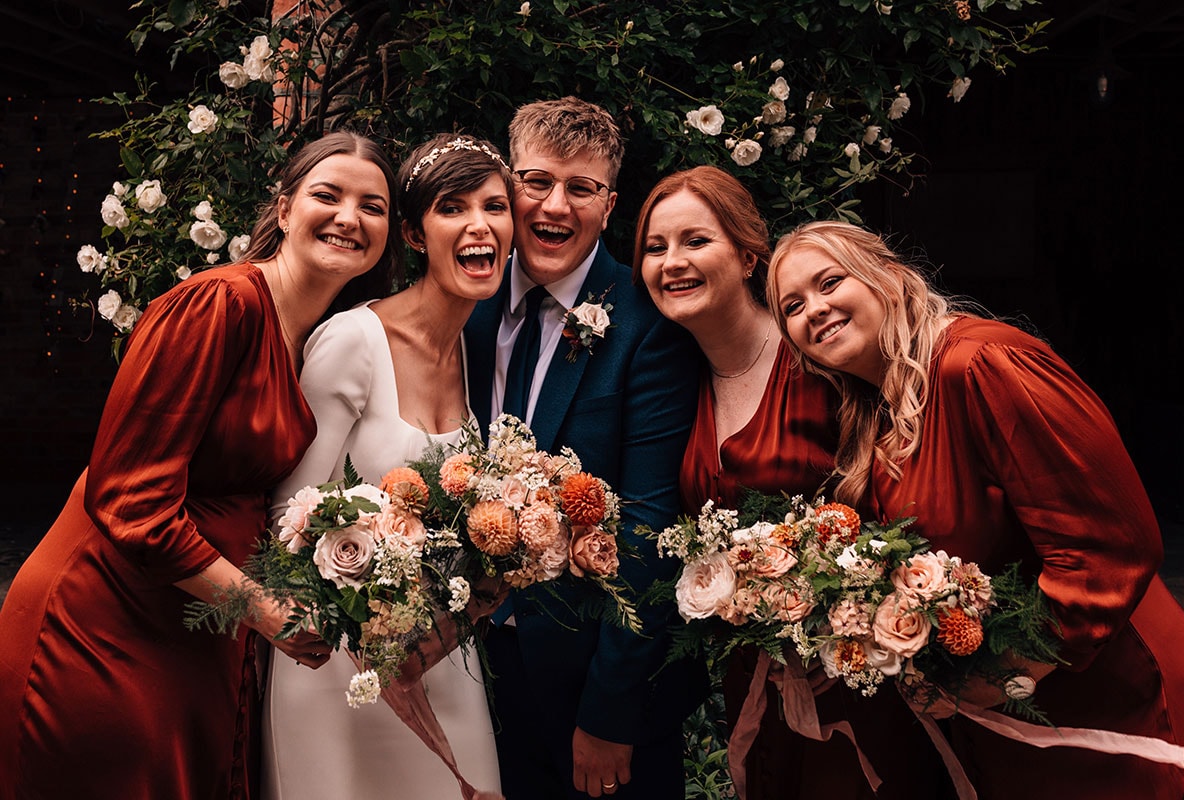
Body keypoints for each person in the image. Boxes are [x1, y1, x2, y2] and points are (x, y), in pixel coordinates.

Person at [0, 130, 401, 800]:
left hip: (194, 631)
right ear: (283, 209)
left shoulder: (318, 337)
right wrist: (268, 612)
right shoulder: (221, 305)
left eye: (373, 206)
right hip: (104, 626)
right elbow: (133, 499)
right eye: (327, 195)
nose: (349, 217)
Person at [767, 219, 1184, 799]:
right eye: (792, 306)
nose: (813, 310)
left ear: (886, 279)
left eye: (829, 282)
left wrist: (1002, 675)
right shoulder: (876, 413)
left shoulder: (979, 364)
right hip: (1021, 719)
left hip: (1115, 695)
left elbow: (1110, 545)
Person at [634, 166, 919, 800]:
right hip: (754, 673)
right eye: (655, 248)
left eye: (695, 241)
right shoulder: (672, 379)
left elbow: (902, 498)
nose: (672, 262)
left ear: (747, 256)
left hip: (862, 670)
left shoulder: (822, 357)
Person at [463, 96, 704, 799]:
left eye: (581, 188)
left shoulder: (649, 325)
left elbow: (650, 525)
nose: (555, 206)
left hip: (588, 682)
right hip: (465, 663)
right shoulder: (465, 303)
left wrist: (609, 713)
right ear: (508, 187)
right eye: (536, 182)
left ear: (609, 202)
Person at [261, 132, 513, 799]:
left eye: (495, 206)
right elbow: (290, 520)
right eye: (453, 208)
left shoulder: (476, 353)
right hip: (336, 670)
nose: (479, 225)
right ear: (413, 233)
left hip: (443, 660)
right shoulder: (353, 340)